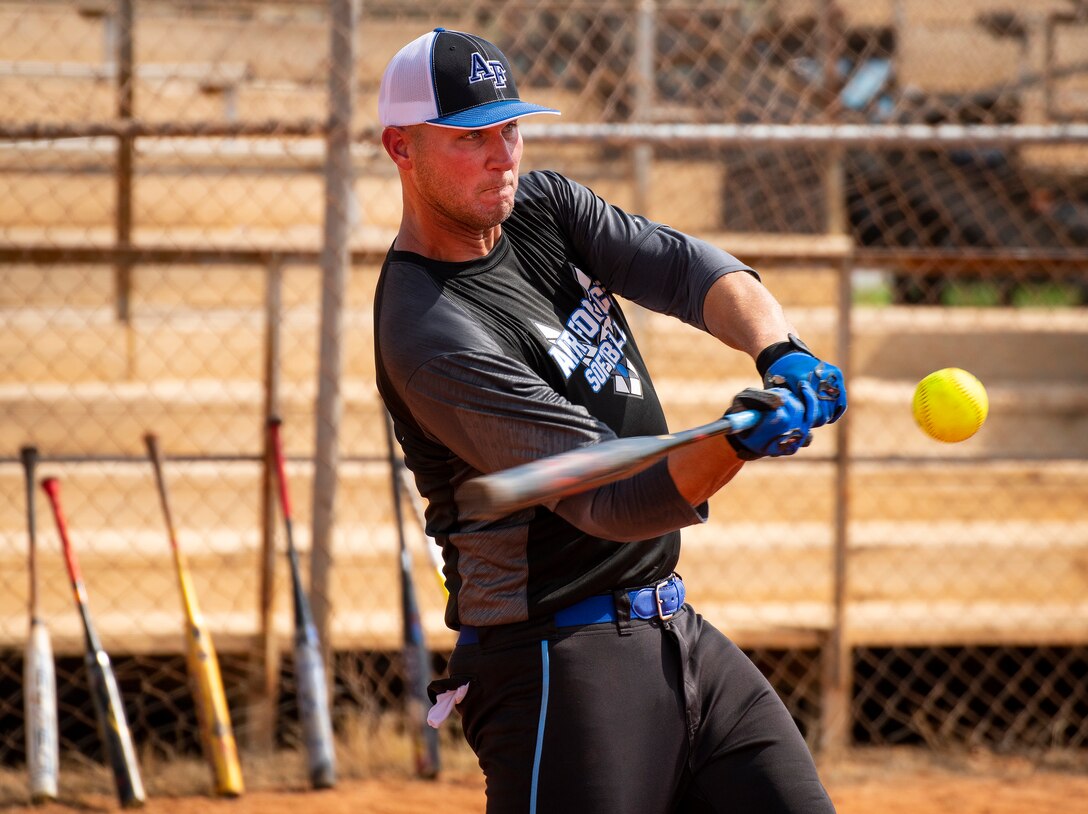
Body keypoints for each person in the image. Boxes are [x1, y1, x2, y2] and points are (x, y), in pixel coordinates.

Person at [373, 27, 846, 814]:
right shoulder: (430, 330)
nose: (501, 156)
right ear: (401, 147)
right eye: (468, 138)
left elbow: (688, 271)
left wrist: (780, 352)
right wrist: (735, 442)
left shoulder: (545, 209)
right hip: (558, 663)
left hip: (675, 631)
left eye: (509, 129)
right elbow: (613, 501)